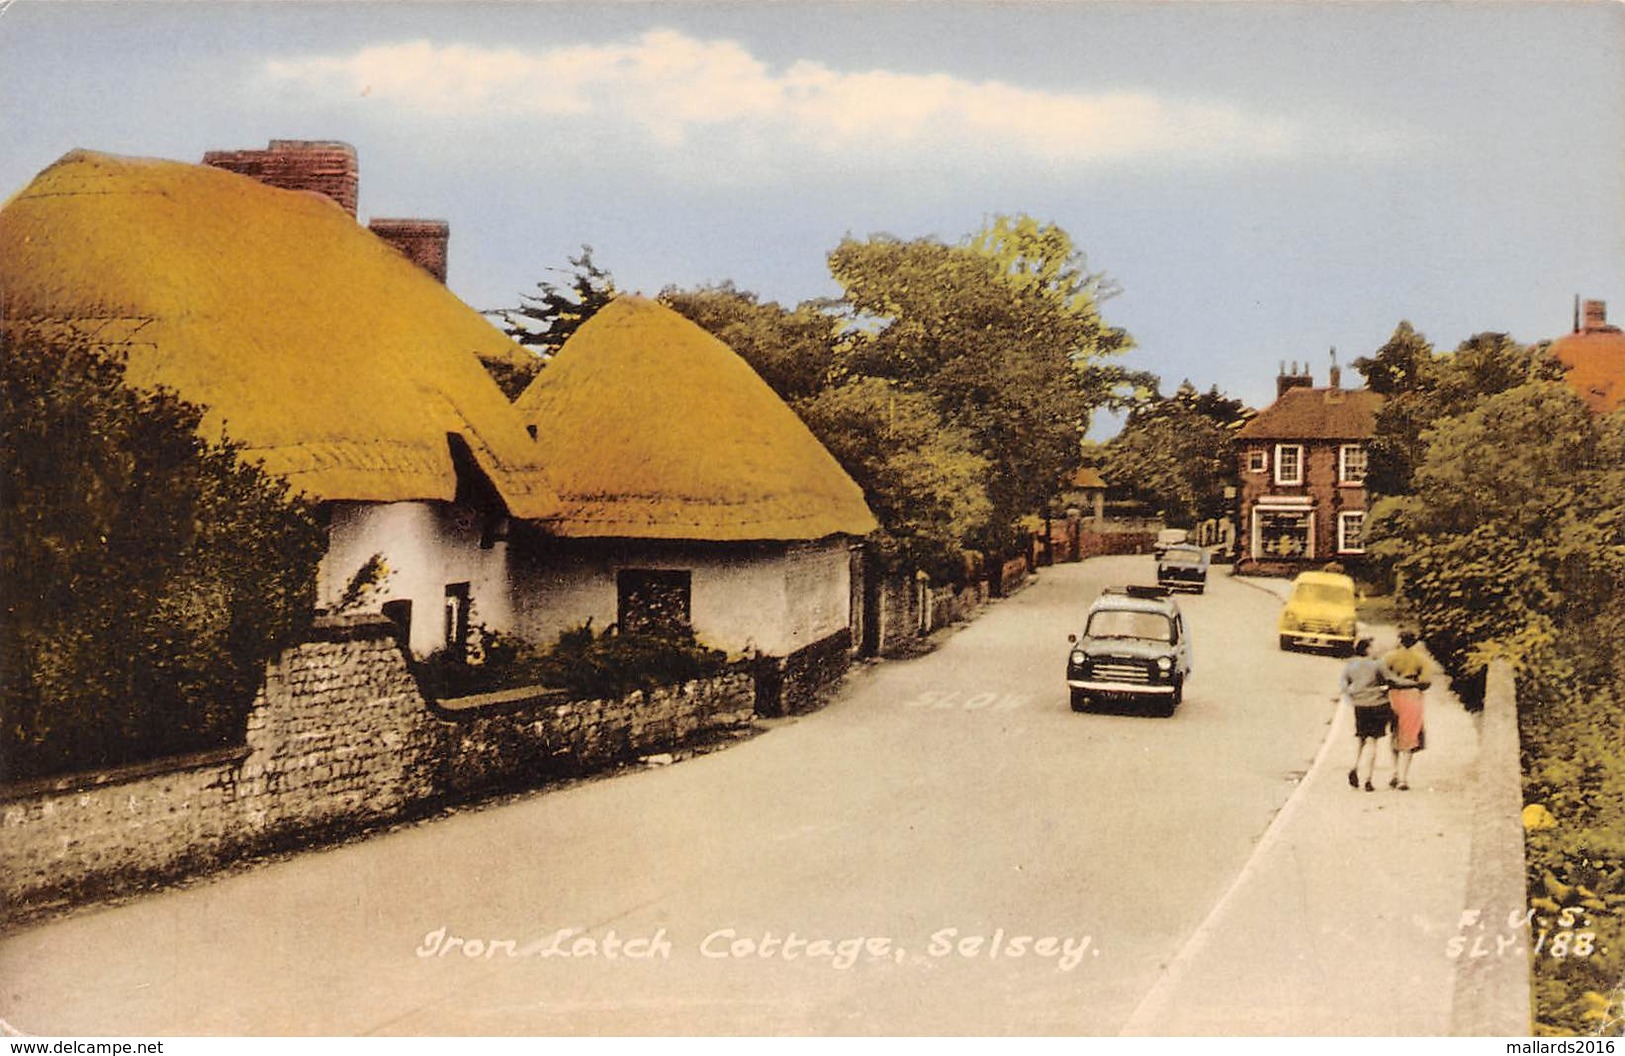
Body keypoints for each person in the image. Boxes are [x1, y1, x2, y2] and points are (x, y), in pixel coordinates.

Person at [1382, 631, 1434, 790]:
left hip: (1393, 696)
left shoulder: (1389, 657)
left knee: (1395, 733)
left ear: (1399, 640)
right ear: (1415, 642)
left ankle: (1395, 772)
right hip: (1412, 696)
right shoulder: (1421, 659)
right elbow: (1426, 682)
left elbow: (1383, 676)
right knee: (1409, 735)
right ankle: (1403, 779)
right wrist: (1414, 684)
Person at [1340, 637, 1392, 792]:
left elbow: (1344, 684)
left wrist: (1352, 696)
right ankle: (1368, 779)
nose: (1376, 649)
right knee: (1372, 742)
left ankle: (1354, 766)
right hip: (1376, 704)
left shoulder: (1351, 665)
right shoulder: (1377, 664)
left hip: (1360, 705)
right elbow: (1390, 679)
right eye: (1373, 646)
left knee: (1361, 739)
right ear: (1367, 649)